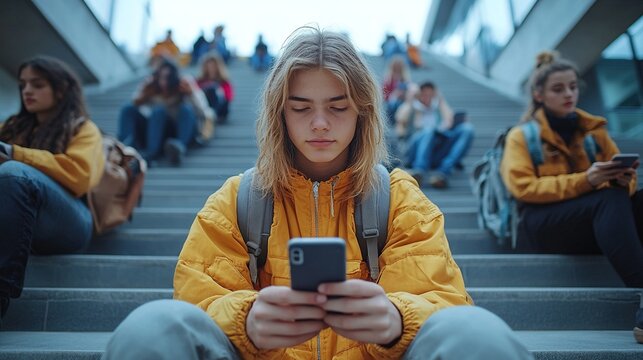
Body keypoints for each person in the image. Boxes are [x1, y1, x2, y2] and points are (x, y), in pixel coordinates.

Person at [103, 26, 533, 360]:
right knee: (153, 324)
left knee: (478, 331)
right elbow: (196, 303)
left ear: (362, 111)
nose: (321, 123)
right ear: (280, 114)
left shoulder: (400, 198)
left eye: (338, 107)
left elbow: (445, 302)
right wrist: (244, 321)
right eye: (302, 107)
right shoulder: (236, 199)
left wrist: (397, 319)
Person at [500, 51, 643, 342]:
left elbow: (624, 182)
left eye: (573, 86)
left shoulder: (595, 132)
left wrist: (624, 180)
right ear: (539, 95)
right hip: (542, 225)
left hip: (596, 222)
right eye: (558, 88)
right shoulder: (520, 136)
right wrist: (587, 180)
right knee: (609, 199)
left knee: (629, 197)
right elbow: (523, 188)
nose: (569, 94)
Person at [0, 56, 104, 321]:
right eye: (23, 84)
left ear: (60, 89)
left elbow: (80, 175)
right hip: (19, 219)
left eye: (37, 84)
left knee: (14, 173)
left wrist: (15, 154)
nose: (27, 91)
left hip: (70, 222)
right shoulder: (12, 127)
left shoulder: (83, 128)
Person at [117, 58, 213, 166]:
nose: (164, 82)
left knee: (186, 109)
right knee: (131, 108)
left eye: (168, 78)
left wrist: (192, 93)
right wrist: (144, 90)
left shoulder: (183, 88)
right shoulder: (152, 89)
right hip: (154, 132)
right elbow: (136, 105)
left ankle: (178, 149)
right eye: (161, 77)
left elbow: (204, 112)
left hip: (179, 133)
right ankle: (128, 149)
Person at [396, 81, 474, 188]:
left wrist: (441, 100)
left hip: (436, 151)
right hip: (415, 150)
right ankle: (419, 170)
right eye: (424, 94)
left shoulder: (437, 108)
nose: (427, 97)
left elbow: (449, 121)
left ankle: (443, 172)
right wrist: (410, 100)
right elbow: (400, 119)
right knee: (429, 130)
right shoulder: (412, 107)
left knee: (467, 129)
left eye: (430, 94)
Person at [196, 51, 234, 123]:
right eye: (209, 66)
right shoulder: (200, 81)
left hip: (220, 109)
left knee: (212, 89)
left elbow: (228, 97)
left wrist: (217, 89)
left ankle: (211, 116)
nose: (211, 68)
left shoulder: (224, 81)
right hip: (204, 106)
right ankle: (210, 116)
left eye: (213, 66)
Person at [382, 54, 413, 125]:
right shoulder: (388, 80)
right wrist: (394, 94)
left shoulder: (405, 79)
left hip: (402, 100)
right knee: (393, 103)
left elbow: (409, 91)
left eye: (399, 67)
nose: (397, 70)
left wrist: (402, 94)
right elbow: (384, 94)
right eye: (396, 68)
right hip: (391, 101)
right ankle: (392, 120)